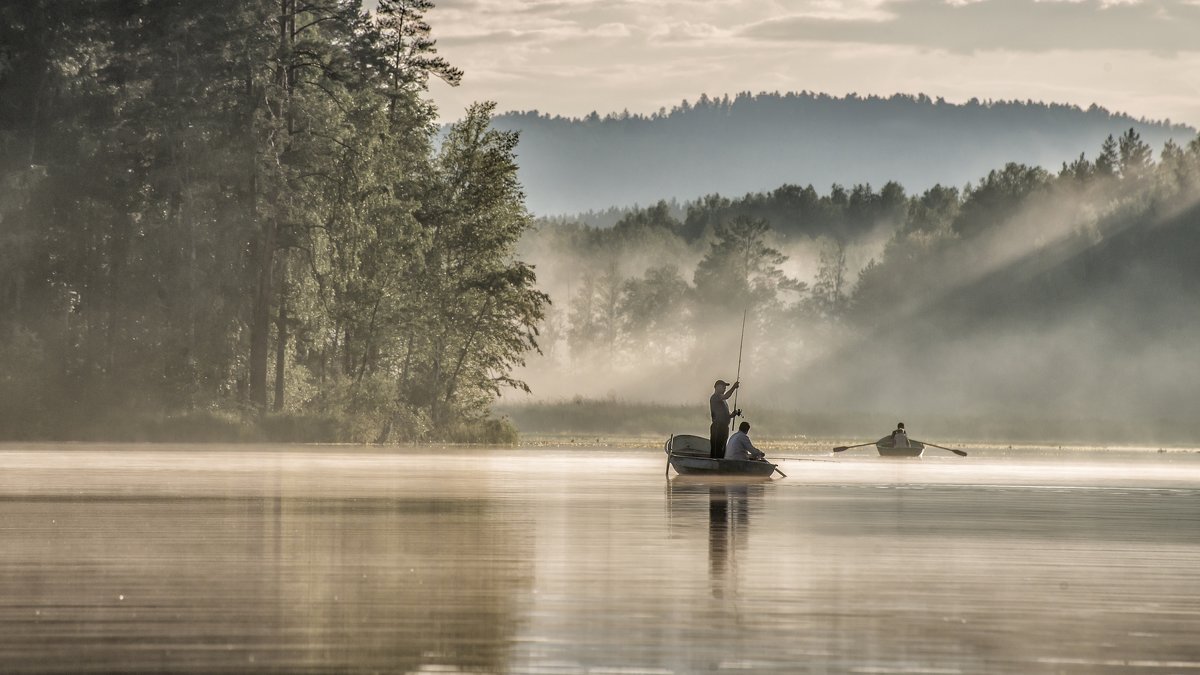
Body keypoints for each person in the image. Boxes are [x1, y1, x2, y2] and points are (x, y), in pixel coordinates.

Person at [709, 379, 740, 459]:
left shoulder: (723, 401)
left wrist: (733, 414)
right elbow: (726, 396)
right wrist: (734, 387)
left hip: (724, 427)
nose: (725, 388)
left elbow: (726, 414)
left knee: (723, 449)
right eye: (723, 386)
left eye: (725, 387)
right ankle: (714, 466)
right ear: (716, 387)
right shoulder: (715, 397)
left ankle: (720, 466)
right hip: (717, 427)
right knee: (717, 450)